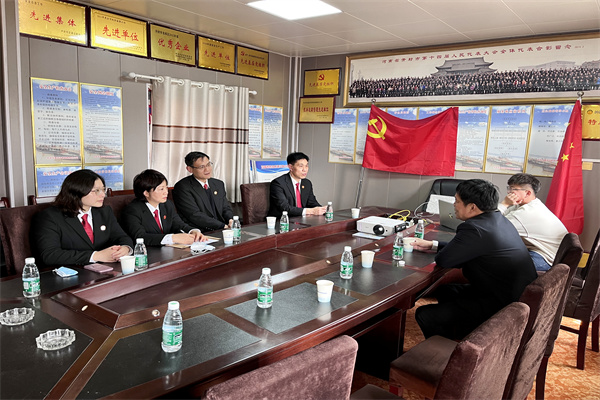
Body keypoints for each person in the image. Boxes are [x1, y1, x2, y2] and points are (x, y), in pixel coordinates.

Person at [411, 179, 537, 340]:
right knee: (445, 291)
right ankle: (460, 328)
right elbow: (471, 248)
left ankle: (458, 348)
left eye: (457, 201)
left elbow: (445, 260)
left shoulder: (474, 228)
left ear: (472, 207)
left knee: (425, 314)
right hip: (517, 297)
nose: (454, 205)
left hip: (503, 306)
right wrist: (433, 244)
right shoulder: (497, 219)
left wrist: (440, 250)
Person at [31, 169, 133, 267]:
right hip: (69, 273)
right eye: (96, 191)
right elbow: (50, 255)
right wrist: (95, 256)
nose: (103, 194)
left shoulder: (104, 212)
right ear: (77, 192)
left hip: (103, 271)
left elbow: (122, 237)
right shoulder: (50, 217)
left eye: (103, 189)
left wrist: (125, 248)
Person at [498, 173, 568, 271]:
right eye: (509, 188)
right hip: (540, 251)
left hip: (545, 258)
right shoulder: (527, 205)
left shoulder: (526, 213)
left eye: (513, 189)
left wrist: (504, 204)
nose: (509, 192)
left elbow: (493, 227)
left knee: (497, 267)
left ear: (527, 193)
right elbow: (495, 220)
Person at [121, 169, 207, 246]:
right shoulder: (132, 210)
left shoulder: (167, 205)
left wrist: (193, 231)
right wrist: (172, 238)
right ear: (146, 193)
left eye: (166, 187)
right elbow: (140, 236)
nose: (166, 192)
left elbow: (179, 224)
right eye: (161, 189)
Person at [172, 151, 234, 232]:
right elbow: (194, 215)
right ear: (190, 169)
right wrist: (222, 226)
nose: (207, 169)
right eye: (201, 167)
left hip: (223, 228)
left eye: (208, 164)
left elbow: (225, 207)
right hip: (200, 231)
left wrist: (230, 220)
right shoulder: (182, 187)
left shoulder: (218, 184)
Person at [268, 152, 326, 218]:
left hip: (302, 219)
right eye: (301, 166)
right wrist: (311, 211)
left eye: (306, 166)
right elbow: (285, 208)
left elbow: (312, 203)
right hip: (283, 220)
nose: (304, 169)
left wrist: (323, 210)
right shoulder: (278, 183)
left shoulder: (307, 183)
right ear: (291, 167)